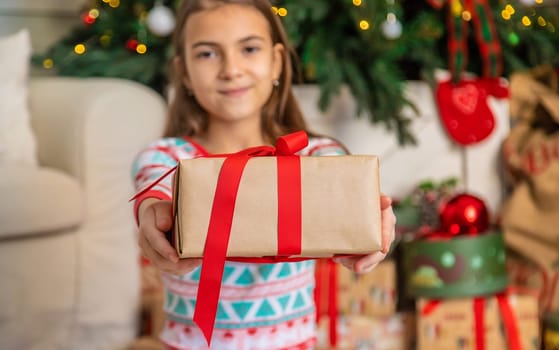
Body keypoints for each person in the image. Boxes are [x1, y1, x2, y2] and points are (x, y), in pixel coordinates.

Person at [131, 0, 396, 349]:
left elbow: (351, 191)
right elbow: (153, 195)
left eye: (249, 49)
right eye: (208, 54)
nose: (231, 69)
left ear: (277, 61)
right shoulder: (169, 157)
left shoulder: (314, 154)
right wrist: (154, 219)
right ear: (183, 72)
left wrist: (375, 226)